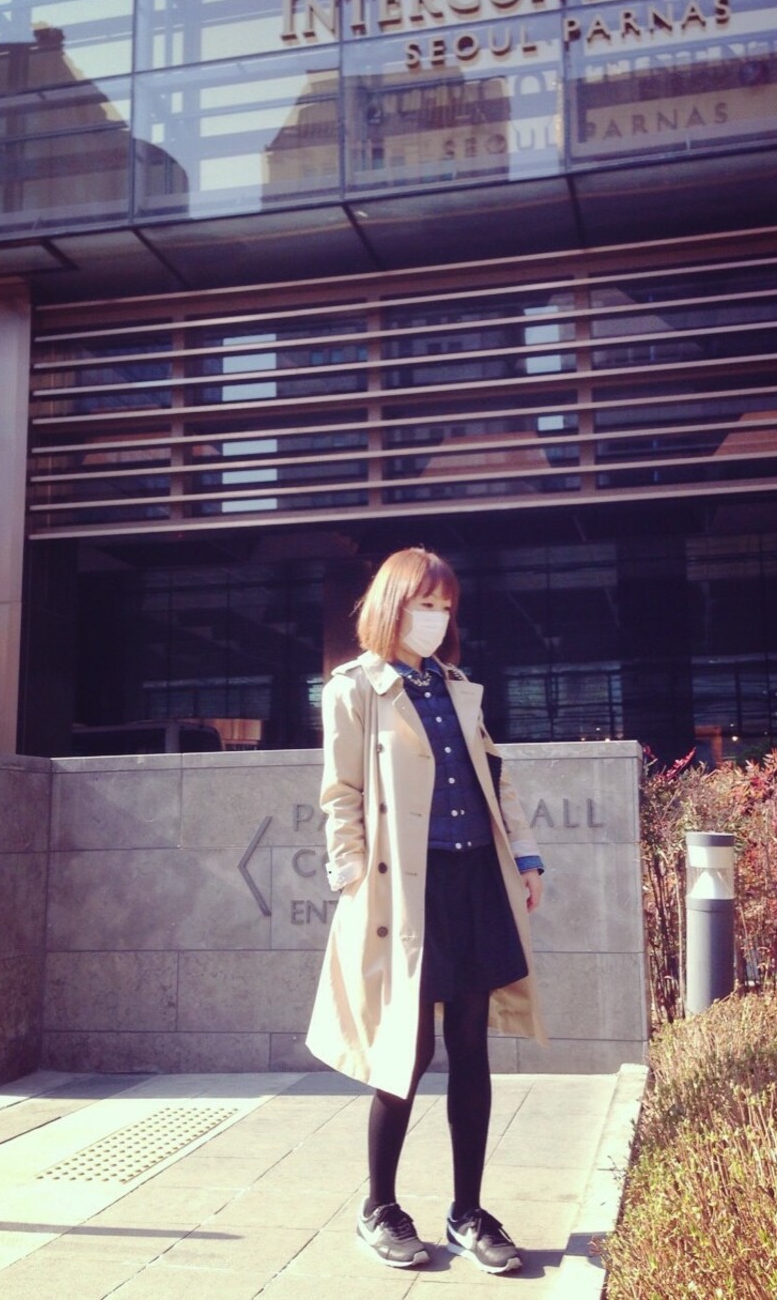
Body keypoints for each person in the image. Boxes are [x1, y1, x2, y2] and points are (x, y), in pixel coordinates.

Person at [306, 546, 547, 1275]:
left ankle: (467, 1211)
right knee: (404, 1048)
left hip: (475, 879)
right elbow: (340, 795)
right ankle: (379, 1206)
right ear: (393, 607)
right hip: (405, 889)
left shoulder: (458, 688)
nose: (437, 619)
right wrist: (353, 881)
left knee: (471, 1044)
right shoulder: (354, 688)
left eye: (445, 607)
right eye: (424, 605)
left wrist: (526, 857)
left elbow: (494, 780)